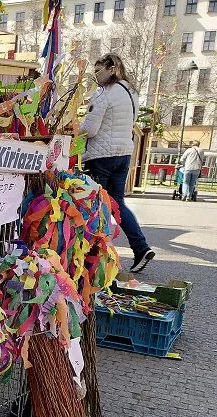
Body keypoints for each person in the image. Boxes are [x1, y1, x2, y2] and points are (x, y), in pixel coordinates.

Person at [80, 54, 155, 273]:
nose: (97, 76)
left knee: (98, 205)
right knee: (118, 204)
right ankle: (141, 247)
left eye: (99, 71)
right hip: (123, 154)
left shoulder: (104, 94)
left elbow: (90, 129)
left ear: (111, 69)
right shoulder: (131, 92)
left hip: (101, 156)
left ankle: (95, 258)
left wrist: (78, 130)